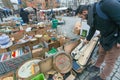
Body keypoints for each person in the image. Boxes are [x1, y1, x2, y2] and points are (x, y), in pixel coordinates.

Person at [82, 0, 120, 80]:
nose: (82, 19)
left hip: (116, 38)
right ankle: (97, 66)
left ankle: (102, 77)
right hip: (105, 36)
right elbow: (93, 27)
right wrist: (87, 39)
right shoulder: (93, 13)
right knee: (101, 52)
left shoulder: (107, 4)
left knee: (110, 60)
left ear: (84, 12)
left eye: (81, 17)